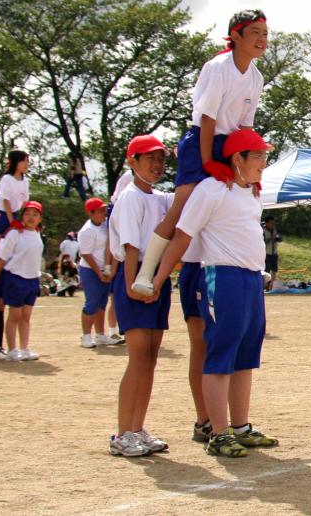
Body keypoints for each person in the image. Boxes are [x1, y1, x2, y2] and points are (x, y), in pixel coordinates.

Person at [146, 128, 279, 457]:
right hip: (223, 277)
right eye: (258, 155)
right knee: (219, 355)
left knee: (246, 356)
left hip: (250, 280)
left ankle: (241, 426)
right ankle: (218, 433)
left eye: (265, 155)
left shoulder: (251, 193)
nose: (264, 162)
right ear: (237, 158)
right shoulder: (212, 189)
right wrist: (159, 276)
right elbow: (182, 235)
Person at [130, 9, 268, 299]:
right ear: (235, 36)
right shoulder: (218, 67)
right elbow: (207, 119)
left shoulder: (256, 77)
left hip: (232, 144)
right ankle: (148, 273)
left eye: (265, 33)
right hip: (202, 140)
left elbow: (246, 126)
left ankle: (244, 262)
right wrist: (207, 161)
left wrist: (247, 167)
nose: (262, 39)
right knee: (182, 206)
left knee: (241, 197)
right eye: (255, 32)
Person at [109, 134, 175, 457]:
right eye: (149, 158)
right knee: (137, 358)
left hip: (156, 280)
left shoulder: (159, 197)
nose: (157, 164)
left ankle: (138, 427)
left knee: (150, 358)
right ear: (132, 161)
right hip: (135, 279)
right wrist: (133, 286)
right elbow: (130, 247)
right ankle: (122, 433)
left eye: (161, 159)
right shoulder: (130, 197)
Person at [0, 200, 46, 361]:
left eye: (35, 215)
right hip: (15, 277)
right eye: (27, 214)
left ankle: (24, 348)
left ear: (40, 218)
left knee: (26, 316)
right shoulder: (15, 233)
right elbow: (2, 257)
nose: (31, 218)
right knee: (15, 315)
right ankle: (13, 349)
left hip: (32, 279)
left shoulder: (37, 233)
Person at [0, 149, 31, 289]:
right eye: (24, 161)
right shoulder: (7, 179)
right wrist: (11, 222)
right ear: (16, 162)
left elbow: (25, 201)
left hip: (14, 213)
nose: (27, 164)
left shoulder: (25, 181)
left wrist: (26, 219)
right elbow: (5, 201)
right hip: (0, 213)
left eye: (27, 161)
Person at [77, 198, 120, 348]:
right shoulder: (87, 230)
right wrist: (98, 272)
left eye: (104, 209)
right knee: (92, 303)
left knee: (102, 303)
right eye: (100, 210)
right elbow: (86, 254)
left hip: (103, 269)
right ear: (91, 212)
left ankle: (100, 334)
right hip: (90, 270)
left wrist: (107, 270)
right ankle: (86, 336)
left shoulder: (103, 225)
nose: (104, 213)